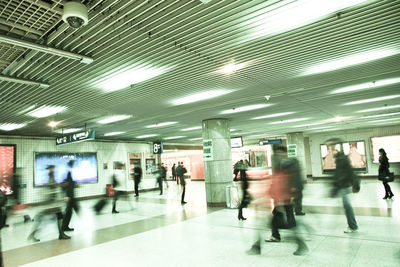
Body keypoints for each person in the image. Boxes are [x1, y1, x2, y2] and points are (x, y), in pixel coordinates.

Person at [28, 165, 70, 242]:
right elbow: (51, 188)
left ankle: (61, 234)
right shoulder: (50, 176)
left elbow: (53, 187)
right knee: (43, 219)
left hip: (51, 204)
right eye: (52, 168)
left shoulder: (50, 176)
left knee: (59, 215)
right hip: (50, 204)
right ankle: (32, 234)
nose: (53, 169)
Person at [329, 139, 360, 233]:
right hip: (343, 185)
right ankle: (352, 225)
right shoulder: (340, 159)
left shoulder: (341, 159)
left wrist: (335, 187)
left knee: (347, 206)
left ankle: (353, 226)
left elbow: (346, 173)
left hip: (344, 186)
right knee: (346, 206)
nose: (330, 152)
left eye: (332, 149)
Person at [61, 160, 79, 232]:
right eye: (72, 164)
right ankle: (64, 227)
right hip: (69, 196)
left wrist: (75, 185)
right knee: (68, 211)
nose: (73, 165)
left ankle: (65, 226)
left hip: (70, 195)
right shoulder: (68, 172)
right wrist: (67, 196)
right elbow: (66, 184)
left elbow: (70, 183)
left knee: (69, 211)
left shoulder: (69, 172)